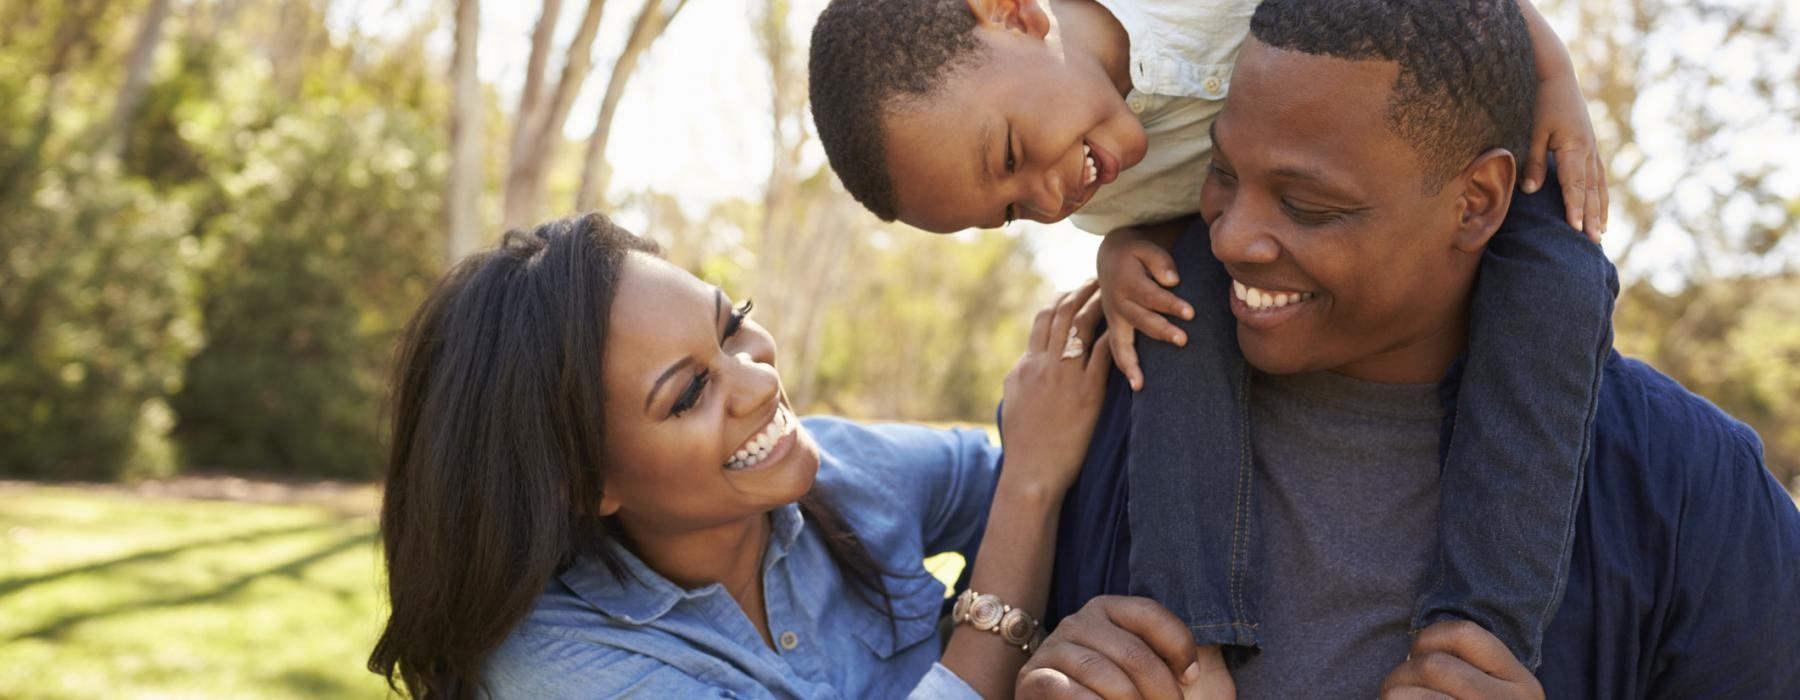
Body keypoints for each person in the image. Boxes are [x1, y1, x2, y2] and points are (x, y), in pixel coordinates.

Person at [1018, 0, 1800, 696]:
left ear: (1478, 202)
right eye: (1222, 173)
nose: (1230, 236)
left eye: (1307, 204)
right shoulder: (1090, 419)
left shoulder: (1695, 493)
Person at [809, 0, 1613, 673]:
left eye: (1014, 153)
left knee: (1564, 277)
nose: (1049, 197)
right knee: (1171, 313)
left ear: (1012, 12)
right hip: (1265, 243)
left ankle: (1479, 638)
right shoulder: (1092, 184)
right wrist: (1117, 248)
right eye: (1014, 210)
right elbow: (1159, 218)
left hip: (1452, 161)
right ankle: (1187, 640)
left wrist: (1553, 80)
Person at [364, 213, 1148, 698]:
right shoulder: (557, 665)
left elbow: (1067, 480)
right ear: (586, 483)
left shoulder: (843, 467)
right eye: (687, 395)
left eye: (730, 323)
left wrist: (1131, 248)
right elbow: (1031, 485)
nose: (757, 381)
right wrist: (1030, 495)